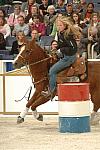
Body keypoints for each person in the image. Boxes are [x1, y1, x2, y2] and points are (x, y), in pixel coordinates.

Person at [42, 16, 80, 98]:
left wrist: (61, 50)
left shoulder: (68, 34)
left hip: (69, 57)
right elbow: (62, 44)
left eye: (60, 25)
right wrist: (56, 48)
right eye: (57, 25)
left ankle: (52, 91)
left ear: (65, 26)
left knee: (52, 71)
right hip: (64, 56)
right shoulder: (60, 34)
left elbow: (73, 48)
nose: (59, 27)